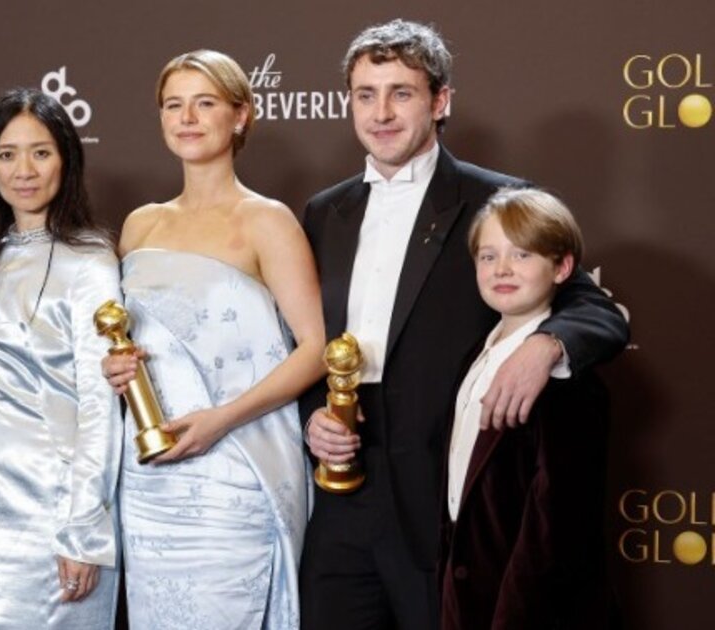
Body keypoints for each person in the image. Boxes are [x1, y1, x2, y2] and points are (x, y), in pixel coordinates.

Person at [300, 19, 629, 630]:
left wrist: (546, 346)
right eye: (366, 94)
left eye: (401, 93)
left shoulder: (496, 200)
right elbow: (299, 343)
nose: (381, 113)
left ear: (440, 101)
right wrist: (312, 417)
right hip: (341, 497)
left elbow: (596, 310)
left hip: (440, 504)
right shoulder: (324, 212)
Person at [102, 49, 326, 629]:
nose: (187, 118)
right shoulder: (140, 224)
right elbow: (129, 341)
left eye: (204, 103)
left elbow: (314, 349)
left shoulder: (267, 220)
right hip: (149, 479)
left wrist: (220, 420)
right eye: (173, 105)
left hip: (234, 470)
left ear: (241, 114)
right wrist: (114, 369)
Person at [0, 88, 123, 629]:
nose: (24, 171)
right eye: (7, 155)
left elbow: (99, 405)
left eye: (41, 152)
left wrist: (83, 530)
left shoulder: (90, 262)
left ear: (67, 160)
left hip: (57, 506)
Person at [441, 188, 611, 629]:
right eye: (488, 256)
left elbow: (555, 531)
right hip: (465, 599)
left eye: (522, 255)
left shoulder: (564, 378)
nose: (501, 269)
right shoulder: (475, 356)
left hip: (524, 607)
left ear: (563, 268)